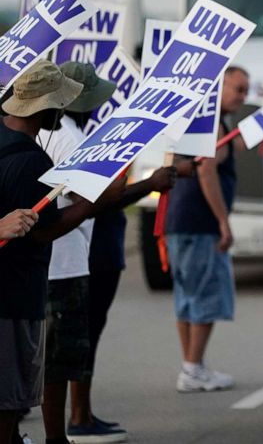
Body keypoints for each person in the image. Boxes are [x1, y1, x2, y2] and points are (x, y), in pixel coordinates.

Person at [41, 62, 187, 444]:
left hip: (60, 254)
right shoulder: (69, 138)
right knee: (64, 355)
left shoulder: (54, 132)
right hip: (68, 257)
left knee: (58, 351)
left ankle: (77, 418)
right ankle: (73, 423)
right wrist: (145, 185)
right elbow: (93, 200)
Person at [0, 62, 94, 444]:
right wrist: (90, 202)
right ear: (45, 110)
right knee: (8, 404)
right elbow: (43, 232)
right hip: (13, 300)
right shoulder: (32, 162)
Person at [166, 65, 249, 392]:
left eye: (245, 90)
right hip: (200, 223)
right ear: (220, 88)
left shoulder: (206, 123)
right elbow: (207, 172)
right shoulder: (212, 125)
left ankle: (192, 365)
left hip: (180, 221)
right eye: (238, 89)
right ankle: (192, 368)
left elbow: (229, 148)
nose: (243, 96)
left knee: (187, 295)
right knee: (205, 294)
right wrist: (223, 222)